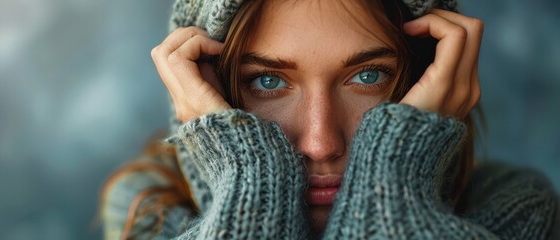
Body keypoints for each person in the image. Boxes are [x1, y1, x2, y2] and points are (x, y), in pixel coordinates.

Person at [100, 0, 559, 239]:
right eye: (265, 82)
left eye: (368, 75)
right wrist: (248, 171)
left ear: (433, 76)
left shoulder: (519, 212)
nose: (321, 143)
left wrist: (392, 175)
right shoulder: (146, 215)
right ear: (204, 87)